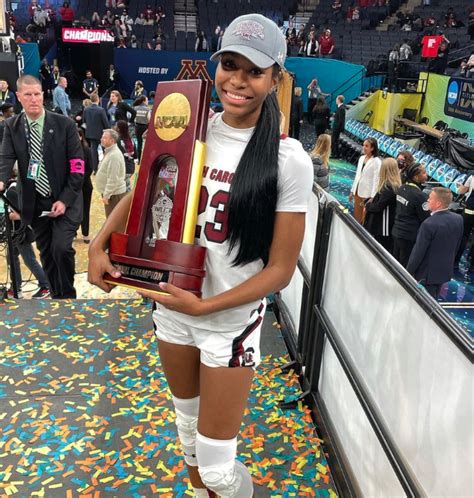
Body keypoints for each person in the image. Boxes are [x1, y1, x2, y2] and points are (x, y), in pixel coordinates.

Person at [87, 13, 313, 497]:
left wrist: (205, 306)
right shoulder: (189, 128)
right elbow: (143, 186)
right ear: (216, 67)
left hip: (227, 324)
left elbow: (280, 270)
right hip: (171, 310)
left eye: (255, 71)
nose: (238, 81)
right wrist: (99, 244)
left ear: (275, 79)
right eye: (230, 65)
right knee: (190, 445)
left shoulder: (287, 159)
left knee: (216, 471)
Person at [0, 75, 84, 299]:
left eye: (37, 94)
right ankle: (57, 296)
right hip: (36, 203)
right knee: (46, 252)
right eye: (28, 94)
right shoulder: (12, 126)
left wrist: (64, 200)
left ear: (42, 95)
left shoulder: (65, 124)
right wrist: (1, 179)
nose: (34, 99)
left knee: (61, 248)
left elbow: (78, 166)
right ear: (19, 97)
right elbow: (5, 157)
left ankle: (67, 296)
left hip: (66, 199)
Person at [407, 188, 463, 298]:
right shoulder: (458, 219)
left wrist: (408, 272)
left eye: (430, 198)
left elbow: (418, 253)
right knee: (434, 299)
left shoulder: (428, 224)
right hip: (444, 271)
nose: (427, 200)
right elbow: (457, 246)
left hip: (426, 275)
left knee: (423, 302)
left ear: (438, 204)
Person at [5, 171, 51, 299]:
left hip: (21, 233)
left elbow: (23, 214)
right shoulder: (14, 187)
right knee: (11, 257)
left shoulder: (11, 192)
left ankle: (46, 285)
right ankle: (16, 287)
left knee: (29, 259)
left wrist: (9, 216)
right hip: (17, 233)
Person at [391, 163, 429, 267]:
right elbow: (426, 218)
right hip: (408, 236)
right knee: (404, 266)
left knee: (394, 261)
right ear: (416, 177)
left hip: (396, 231)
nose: (426, 175)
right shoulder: (420, 196)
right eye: (424, 173)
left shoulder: (402, 187)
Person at [364, 158, 401, 252]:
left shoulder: (389, 187)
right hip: (384, 225)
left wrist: (367, 205)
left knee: (381, 250)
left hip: (384, 227)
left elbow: (378, 207)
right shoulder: (392, 185)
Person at [95, 128, 126, 217]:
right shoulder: (109, 151)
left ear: (112, 140)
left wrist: (107, 195)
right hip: (111, 193)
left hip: (114, 194)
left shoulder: (114, 156)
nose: (101, 139)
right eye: (102, 137)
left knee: (113, 219)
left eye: (104, 137)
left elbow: (113, 179)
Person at [349, 137, 382, 224]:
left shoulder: (377, 161)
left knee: (364, 217)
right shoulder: (361, 158)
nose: (364, 147)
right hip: (358, 190)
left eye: (366, 146)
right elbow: (357, 176)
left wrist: (373, 196)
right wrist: (352, 191)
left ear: (372, 148)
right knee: (357, 215)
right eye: (363, 145)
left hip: (367, 193)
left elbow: (376, 180)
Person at [83, 93, 110, 173]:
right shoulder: (101, 110)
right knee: (105, 151)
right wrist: (109, 131)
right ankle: (105, 168)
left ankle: (95, 169)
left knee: (93, 152)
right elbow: (105, 123)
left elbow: (84, 122)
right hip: (101, 134)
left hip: (90, 134)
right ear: (98, 99)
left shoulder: (86, 109)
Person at [78, 128, 93, 243]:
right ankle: (72, 232)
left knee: (85, 210)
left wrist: (79, 181)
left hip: (85, 185)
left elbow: (90, 168)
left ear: (81, 137)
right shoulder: (67, 149)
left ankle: (85, 233)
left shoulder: (87, 150)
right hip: (71, 187)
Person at [455, 175, 473, 270]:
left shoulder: (472, 176)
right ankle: (472, 264)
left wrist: (460, 186)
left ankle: (455, 260)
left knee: (463, 236)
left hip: (470, 212)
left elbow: (461, 191)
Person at [115, 119, 135, 190]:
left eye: (116, 126)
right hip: (131, 166)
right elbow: (135, 155)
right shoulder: (131, 139)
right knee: (127, 186)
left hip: (123, 167)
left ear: (119, 129)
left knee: (122, 189)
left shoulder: (118, 141)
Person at [133, 95, 150, 161]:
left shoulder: (135, 108)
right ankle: (146, 159)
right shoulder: (147, 109)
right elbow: (149, 119)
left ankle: (139, 160)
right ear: (144, 101)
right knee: (146, 144)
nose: (148, 102)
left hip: (137, 127)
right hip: (145, 128)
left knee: (139, 143)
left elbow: (133, 118)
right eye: (147, 100)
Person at [331, 94, 345, 158]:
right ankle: (335, 153)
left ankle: (335, 154)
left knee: (334, 141)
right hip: (336, 127)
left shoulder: (341, 108)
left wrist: (338, 128)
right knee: (334, 140)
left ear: (339, 100)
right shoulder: (340, 107)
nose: (336, 101)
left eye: (336, 99)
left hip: (337, 128)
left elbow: (341, 120)